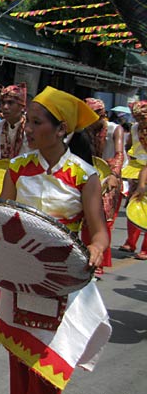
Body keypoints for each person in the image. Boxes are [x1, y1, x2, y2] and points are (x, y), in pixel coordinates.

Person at [0, 86, 111, 394]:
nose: (27, 129)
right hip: (18, 281)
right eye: (27, 122)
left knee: (49, 367)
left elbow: (100, 232)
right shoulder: (16, 169)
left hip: (63, 284)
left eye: (36, 122)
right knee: (20, 362)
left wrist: (95, 249)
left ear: (62, 129)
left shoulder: (84, 175)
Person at [82, 97, 125, 274]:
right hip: (90, 172)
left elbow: (119, 154)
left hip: (110, 175)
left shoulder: (116, 129)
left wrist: (113, 175)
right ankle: (86, 256)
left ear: (103, 115)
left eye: (95, 116)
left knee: (103, 217)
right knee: (85, 216)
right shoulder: (83, 129)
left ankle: (98, 261)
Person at [119, 100, 147, 259]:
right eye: (138, 118)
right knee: (133, 205)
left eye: (143, 117)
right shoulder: (135, 128)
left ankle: (145, 248)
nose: (140, 121)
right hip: (136, 169)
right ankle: (130, 242)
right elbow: (129, 145)